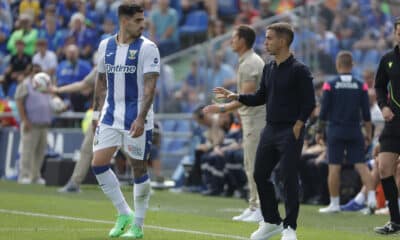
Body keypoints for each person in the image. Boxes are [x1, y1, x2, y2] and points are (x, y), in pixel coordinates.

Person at [214, 22, 315, 240]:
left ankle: (290, 228)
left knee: (288, 177)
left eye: (269, 38)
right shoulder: (269, 67)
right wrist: (237, 96)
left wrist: (299, 124)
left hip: (290, 131)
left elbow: (310, 103)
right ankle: (271, 222)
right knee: (259, 174)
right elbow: (261, 97)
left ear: (283, 41)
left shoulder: (300, 70)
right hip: (270, 129)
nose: (265, 42)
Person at [91, 1, 160, 238]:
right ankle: (124, 212)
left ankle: (138, 226)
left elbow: (151, 88)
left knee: (138, 168)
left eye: (143, 20)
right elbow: (100, 81)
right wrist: (95, 112)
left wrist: (141, 118)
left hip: (136, 118)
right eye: (138, 20)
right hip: (110, 115)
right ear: (124, 21)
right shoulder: (105, 45)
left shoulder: (148, 48)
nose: (143, 24)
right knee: (98, 164)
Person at [203, 24, 265, 222]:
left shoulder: (249, 64)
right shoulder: (247, 61)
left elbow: (245, 98)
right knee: (249, 164)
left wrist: (220, 108)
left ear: (243, 40)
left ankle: (260, 209)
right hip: (251, 119)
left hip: (256, 120)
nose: (231, 41)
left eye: (234, 37)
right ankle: (253, 205)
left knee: (255, 165)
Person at [317, 51, 376, 214]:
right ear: (352, 65)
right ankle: (371, 199)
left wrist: (319, 131)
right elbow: (366, 113)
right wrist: (369, 134)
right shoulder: (361, 85)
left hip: (335, 130)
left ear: (337, 65)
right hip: (355, 130)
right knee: (362, 166)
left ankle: (334, 204)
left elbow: (323, 111)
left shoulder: (330, 84)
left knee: (334, 167)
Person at [373, 17, 400, 234]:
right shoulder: (388, 59)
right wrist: (383, 106)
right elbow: (379, 86)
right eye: (398, 31)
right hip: (394, 121)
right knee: (384, 168)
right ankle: (395, 221)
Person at [52, 67, 97, 193]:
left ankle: (143, 181)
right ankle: (74, 183)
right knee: (86, 149)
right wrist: (59, 89)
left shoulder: (128, 61)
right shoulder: (103, 62)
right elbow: (84, 84)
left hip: (121, 114)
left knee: (129, 150)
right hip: (102, 114)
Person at [15, 64, 52, 184]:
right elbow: (19, 102)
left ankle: (35, 176)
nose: (37, 73)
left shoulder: (44, 85)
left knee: (40, 152)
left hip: (43, 124)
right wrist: (25, 120)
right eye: (35, 71)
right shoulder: (25, 85)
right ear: (29, 72)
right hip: (31, 123)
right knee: (28, 151)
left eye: (39, 71)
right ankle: (24, 175)